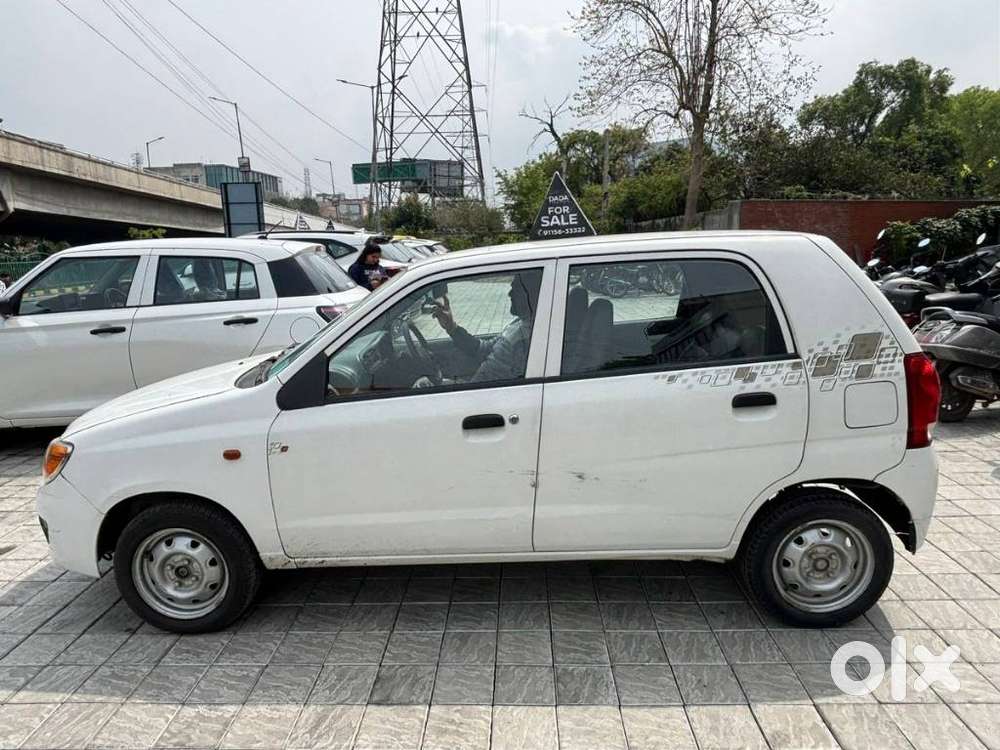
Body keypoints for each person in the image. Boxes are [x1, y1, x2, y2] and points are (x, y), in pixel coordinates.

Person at [432, 273, 541, 383]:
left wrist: (440, 384)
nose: (509, 294)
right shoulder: (520, 323)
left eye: (516, 289)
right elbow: (484, 350)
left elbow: (479, 387)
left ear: (531, 294)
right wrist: (451, 327)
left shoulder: (522, 342)